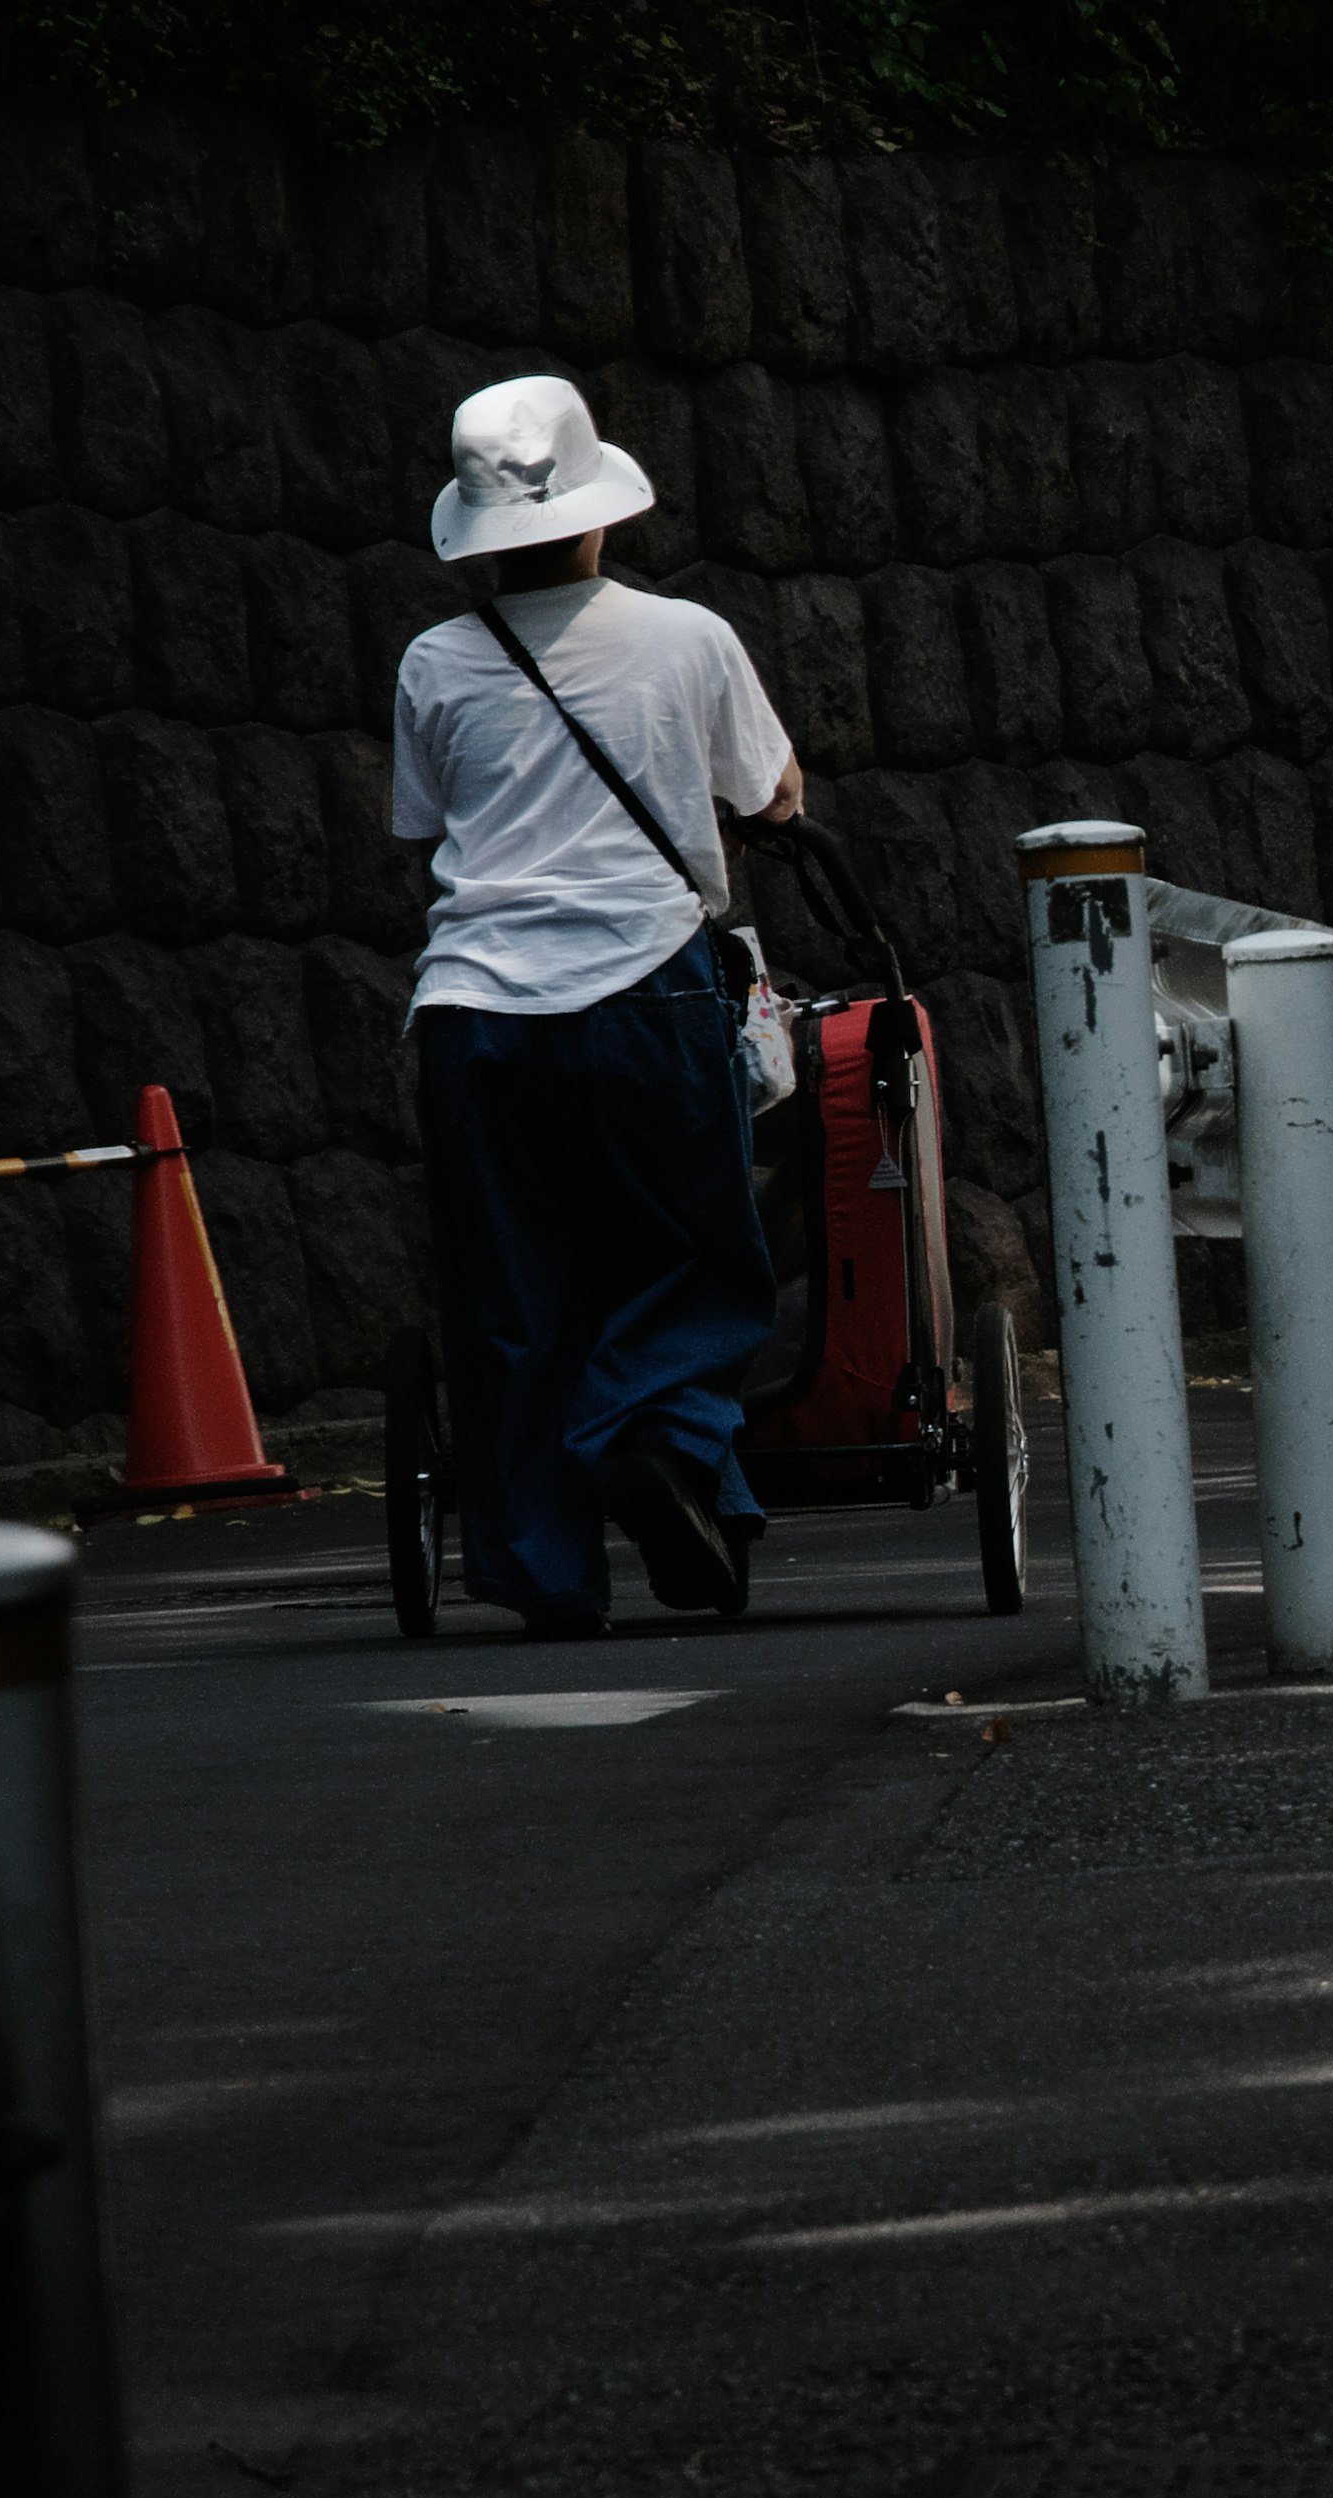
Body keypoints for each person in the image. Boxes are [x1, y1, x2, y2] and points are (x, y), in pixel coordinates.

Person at [389, 375, 802, 1636]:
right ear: (597, 510)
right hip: (645, 990)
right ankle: (658, 1439)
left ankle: (550, 1577)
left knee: (514, 1295)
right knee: (695, 1252)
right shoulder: (689, 639)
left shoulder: (435, 662)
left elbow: (427, 825)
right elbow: (773, 794)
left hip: (475, 1014)